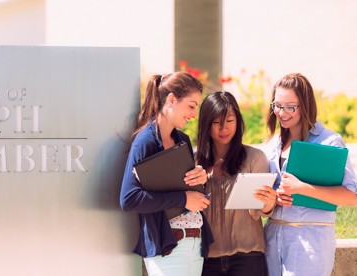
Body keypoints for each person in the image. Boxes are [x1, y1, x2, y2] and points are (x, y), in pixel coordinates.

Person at [120, 72, 214, 276]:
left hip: (195, 244)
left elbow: (183, 188)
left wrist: (200, 179)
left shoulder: (183, 140)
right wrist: (183, 199)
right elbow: (129, 199)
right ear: (172, 99)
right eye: (191, 105)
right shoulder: (145, 141)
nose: (194, 114)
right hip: (168, 248)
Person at [263, 73, 357, 276]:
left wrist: (301, 188)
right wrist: (273, 197)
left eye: (290, 106)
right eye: (277, 105)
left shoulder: (329, 142)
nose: (282, 112)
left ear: (305, 106)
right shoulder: (272, 144)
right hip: (272, 239)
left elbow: (351, 196)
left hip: (310, 243)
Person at [196, 91, 276, 276]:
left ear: (238, 122)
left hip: (248, 258)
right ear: (206, 124)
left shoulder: (254, 158)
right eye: (216, 122)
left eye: (230, 120)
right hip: (206, 260)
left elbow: (261, 212)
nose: (223, 128)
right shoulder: (195, 164)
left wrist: (268, 205)